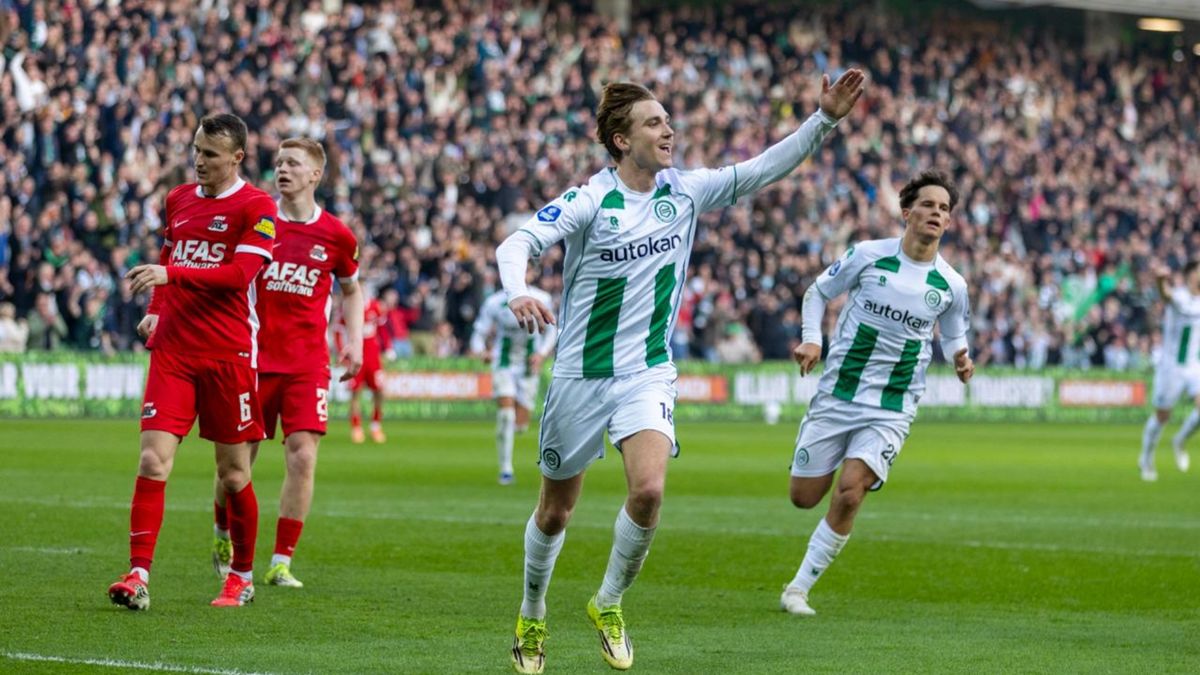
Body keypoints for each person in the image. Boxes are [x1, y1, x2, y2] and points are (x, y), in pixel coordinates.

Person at [495, 69, 865, 673]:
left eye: (667, 120)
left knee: (648, 491)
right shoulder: (591, 199)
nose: (669, 129)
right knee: (555, 511)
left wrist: (822, 120)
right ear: (621, 140)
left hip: (647, 371)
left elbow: (761, 168)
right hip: (580, 376)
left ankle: (608, 602)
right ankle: (532, 611)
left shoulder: (685, 191)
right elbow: (516, 244)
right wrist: (518, 290)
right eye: (654, 122)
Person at [779, 169, 974, 617]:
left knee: (850, 491)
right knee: (803, 497)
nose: (936, 213)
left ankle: (798, 589)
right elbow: (817, 291)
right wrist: (813, 338)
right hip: (838, 394)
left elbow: (954, 335)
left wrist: (961, 358)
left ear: (949, 223)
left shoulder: (951, 285)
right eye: (928, 205)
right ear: (907, 212)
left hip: (892, 406)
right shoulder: (868, 256)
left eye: (944, 209)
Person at [108, 113, 277, 609]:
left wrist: (170, 277)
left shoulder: (257, 206)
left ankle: (241, 577)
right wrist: (156, 313)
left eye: (210, 154)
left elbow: (238, 273)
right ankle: (138, 576)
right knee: (152, 460)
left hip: (228, 353)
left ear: (237, 158)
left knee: (233, 475)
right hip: (175, 351)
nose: (199, 161)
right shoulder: (179, 199)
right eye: (197, 150)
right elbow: (170, 254)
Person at [210, 137, 363, 588]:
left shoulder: (336, 235)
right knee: (235, 467)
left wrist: (352, 341)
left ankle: (280, 561)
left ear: (315, 174)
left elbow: (352, 290)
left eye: (293, 163)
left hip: (307, 364)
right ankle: (223, 530)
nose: (283, 170)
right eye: (279, 163)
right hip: (250, 358)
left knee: (303, 457)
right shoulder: (256, 220)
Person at [469, 271, 557, 485]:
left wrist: (542, 353)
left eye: (526, 269)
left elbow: (552, 331)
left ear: (533, 272)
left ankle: (516, 429)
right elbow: (478, 333)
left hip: (528, 366)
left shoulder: (542, 298)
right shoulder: (495, 302)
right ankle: (506, 468)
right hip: (504, 363)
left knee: (520, 425)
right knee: (506, 416)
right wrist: (482, 351)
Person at [1136, 261, 1200, 481]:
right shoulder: (1180, 296)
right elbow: (1165, 295)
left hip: (1194, 366)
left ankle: (1180, 440)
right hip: (1171, 366)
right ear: (1191, 274)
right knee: (1163, 416)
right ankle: (1146, 458)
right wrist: (1160, 279)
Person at [343, 289, 388, 443]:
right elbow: (338, 329)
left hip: (373, 357)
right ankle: (356, 427)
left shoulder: (375, 306)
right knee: (355, 392)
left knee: (379, 391)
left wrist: (387, 348)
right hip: (356, 355)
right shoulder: (349, 306)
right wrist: (343, 350)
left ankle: (376, 426)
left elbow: (382, 329)